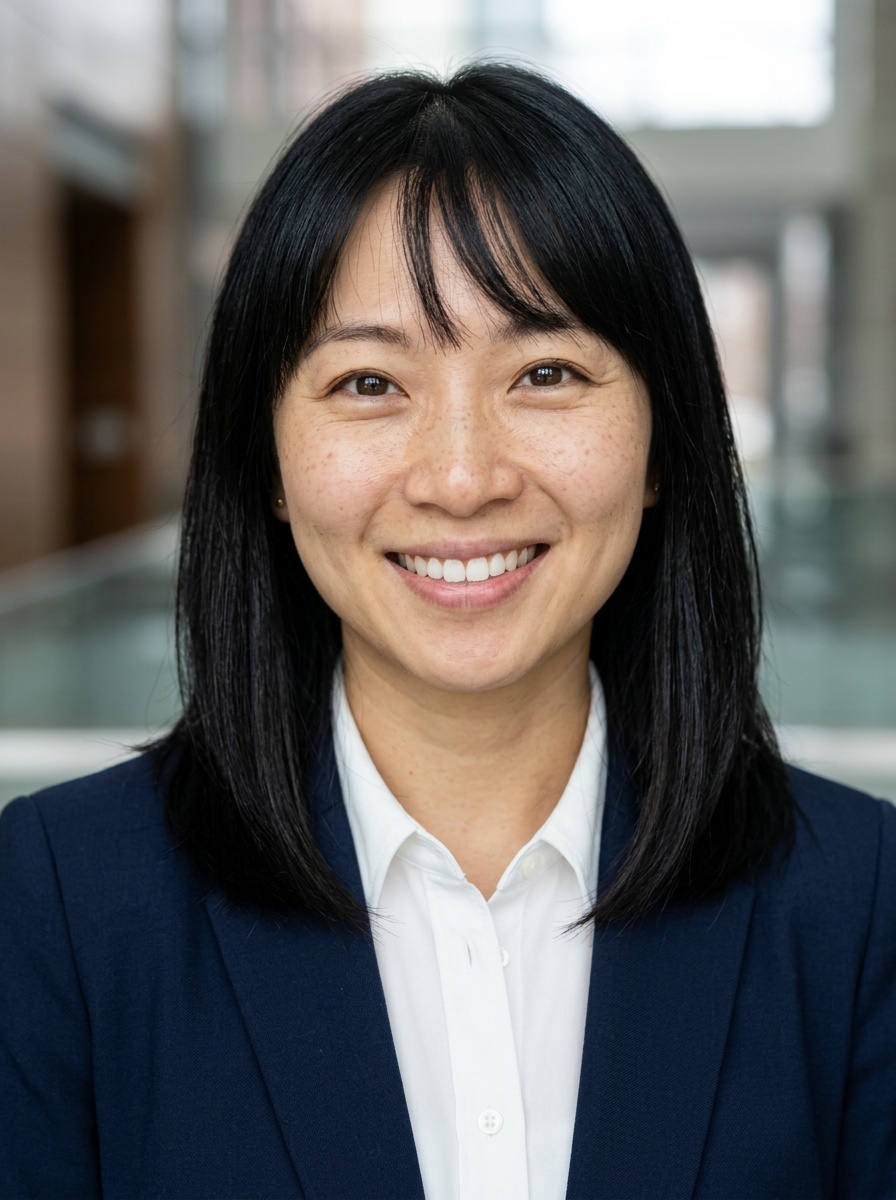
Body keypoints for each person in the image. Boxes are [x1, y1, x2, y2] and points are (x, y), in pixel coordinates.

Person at [1, 63, 894, 1200]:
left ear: (664, 440)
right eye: (369, 383)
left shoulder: (856, 901)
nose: (462, 477)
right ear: (266, 461)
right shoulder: (64, 904)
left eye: (547, 372)